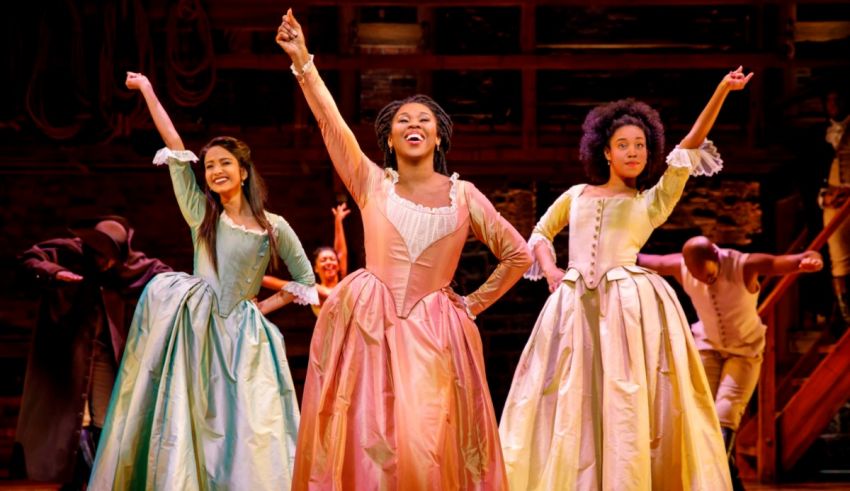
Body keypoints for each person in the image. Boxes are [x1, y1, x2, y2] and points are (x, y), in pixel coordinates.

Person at [276, 9, 532, 489]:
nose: (414, 125)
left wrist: (471, 304)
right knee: (368, 435)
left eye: (425, 121)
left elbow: (517, 254)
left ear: (438, 138)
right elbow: (333, 127)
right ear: (390, 140)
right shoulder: (372, 182)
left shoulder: (464, 196)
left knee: (427, 439)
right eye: (403, 121)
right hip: (370, 324)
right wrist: (304, 62)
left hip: (434, 332)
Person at [498, 67, 753, 490]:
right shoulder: (576, 195)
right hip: (573, 305)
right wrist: (551, 271)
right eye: (623, 145)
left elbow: (689, 145)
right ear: (606, 152)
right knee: (567, 395)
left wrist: (722, 91)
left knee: (623, 396)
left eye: (640, 145)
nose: (633, 152)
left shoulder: (652, 201)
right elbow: (541, 234)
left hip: (626, 309)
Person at [87, 72, 318, 490]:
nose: (215, 171)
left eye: (224, 164)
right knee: (194, 418)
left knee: (247, 422)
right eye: (210, 166)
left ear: (244, 171)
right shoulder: (203, 217)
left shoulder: (273, 227)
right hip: (197, 330)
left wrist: (260, 308)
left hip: (244, 338)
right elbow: (176, 146)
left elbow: (304, 279)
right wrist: (148, 90)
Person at [637, 236, 823, 490]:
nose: (706, 282)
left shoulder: (744, 265)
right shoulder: (679, 265)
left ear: (716, 254)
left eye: (710, 276)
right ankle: (730, 483)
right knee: (700, 416)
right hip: (708, 347)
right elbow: (645, 260)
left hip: (744, 352)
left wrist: (813, 259)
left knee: (724, 417)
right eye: (700, 278)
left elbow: (790, 260)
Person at [12, 217, 170, 490]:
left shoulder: (131, 265)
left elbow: (167, 276)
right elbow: (29, 259)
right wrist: (54, 273)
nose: (99, 261)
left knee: (105, 419)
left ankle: (100, 480)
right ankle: (78, 483)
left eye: (106, 256)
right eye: (95, 253)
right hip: (69, 351)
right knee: (74, 420)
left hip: (105, 353)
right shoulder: (71, 250)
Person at [263, 202, 350, 316]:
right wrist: (258, 278)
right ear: (316, 268)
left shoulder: (343, 284)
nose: (329, 262)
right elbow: (283, 284)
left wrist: (338, 222)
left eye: (332, 259)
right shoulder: (313, 290)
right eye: (323, 260)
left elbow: (341, 254)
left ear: (338, 265)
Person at [818, 88, 850, 324]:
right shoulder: (820, 134)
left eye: (838, 99)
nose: (834, 105)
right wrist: (824, 197)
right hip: (833, 203)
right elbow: (812, 173)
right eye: (829, 100)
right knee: (838, 258)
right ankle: (844, 315)